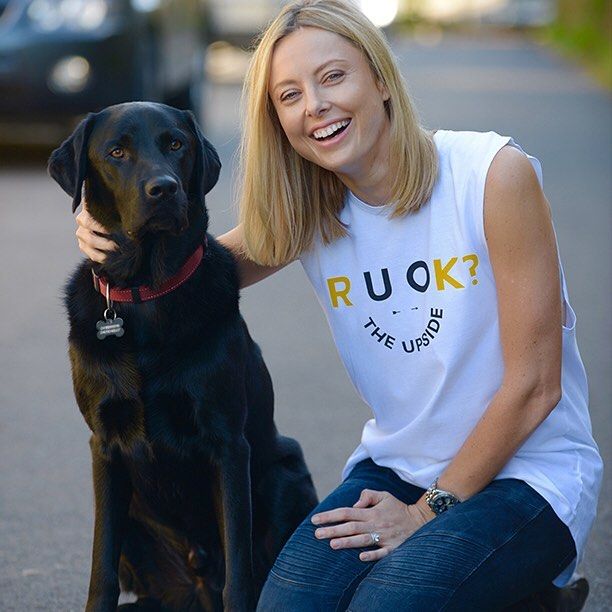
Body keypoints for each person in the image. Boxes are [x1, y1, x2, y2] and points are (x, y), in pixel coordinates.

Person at [75, 1, 602, 609]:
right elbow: (183, 276)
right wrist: (106, 231)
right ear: (279, 121)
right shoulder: (313, 212)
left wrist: (427, 510)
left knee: (384, 605)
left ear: (381, 79)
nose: (315, 106)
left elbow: (536, 386)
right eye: (290, 95)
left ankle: (527, 592)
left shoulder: (490, 175)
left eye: (332, 77)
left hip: (529, 475)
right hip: (397, 471)